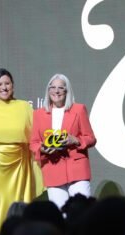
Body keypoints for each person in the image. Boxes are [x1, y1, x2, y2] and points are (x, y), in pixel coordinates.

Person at [0, 68, 42, 232]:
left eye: (7, 83)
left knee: (17, 203)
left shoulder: (25, 107)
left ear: (13, 85)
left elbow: (35, 135)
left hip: (19, 165)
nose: (4, 87)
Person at [30, 74, 96, 209]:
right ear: (48, 91)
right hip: (53, 169)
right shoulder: (39, 113)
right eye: (53, 87)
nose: (56, 91)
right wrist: (42, 148)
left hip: (77, 169)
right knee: (61, 214)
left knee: (82, 212)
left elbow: (91, 138)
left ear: (67, 91)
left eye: (61, 88)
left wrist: (75, 140)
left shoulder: (78, 109)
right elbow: (34, 142)